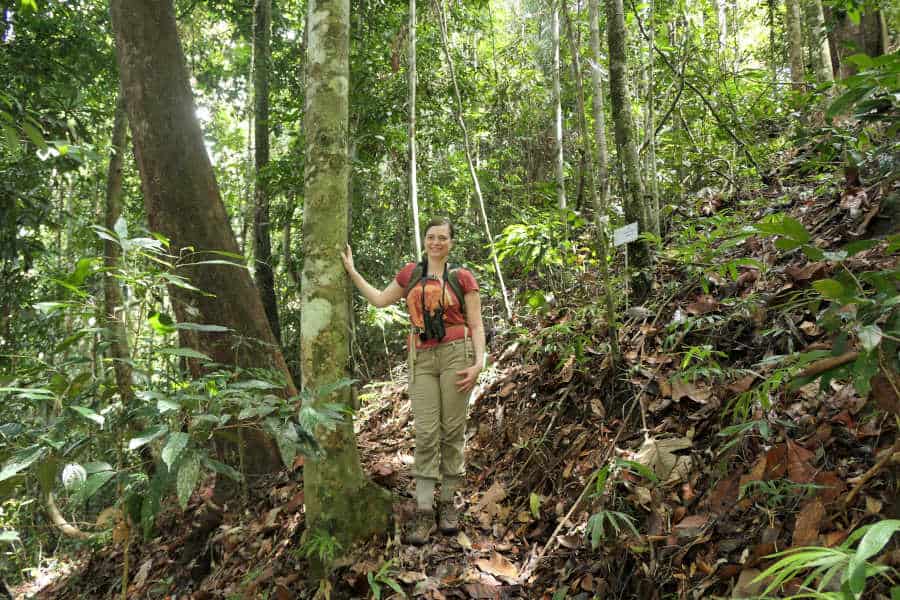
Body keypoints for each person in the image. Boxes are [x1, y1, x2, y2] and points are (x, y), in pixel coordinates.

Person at [341, 217, 486, 545]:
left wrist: (479, 363)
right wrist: (351, 271)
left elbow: (476, 325)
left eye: (443, 238)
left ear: (451, 242)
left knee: (452, 430)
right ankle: (423, 509)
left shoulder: (462, 278)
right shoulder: (411, 274)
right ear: (424, 240)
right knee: (426, 432)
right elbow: (379, 299)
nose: (437, 242)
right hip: (421, 357)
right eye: (432, 237)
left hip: (457, 354)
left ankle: (447, 502)